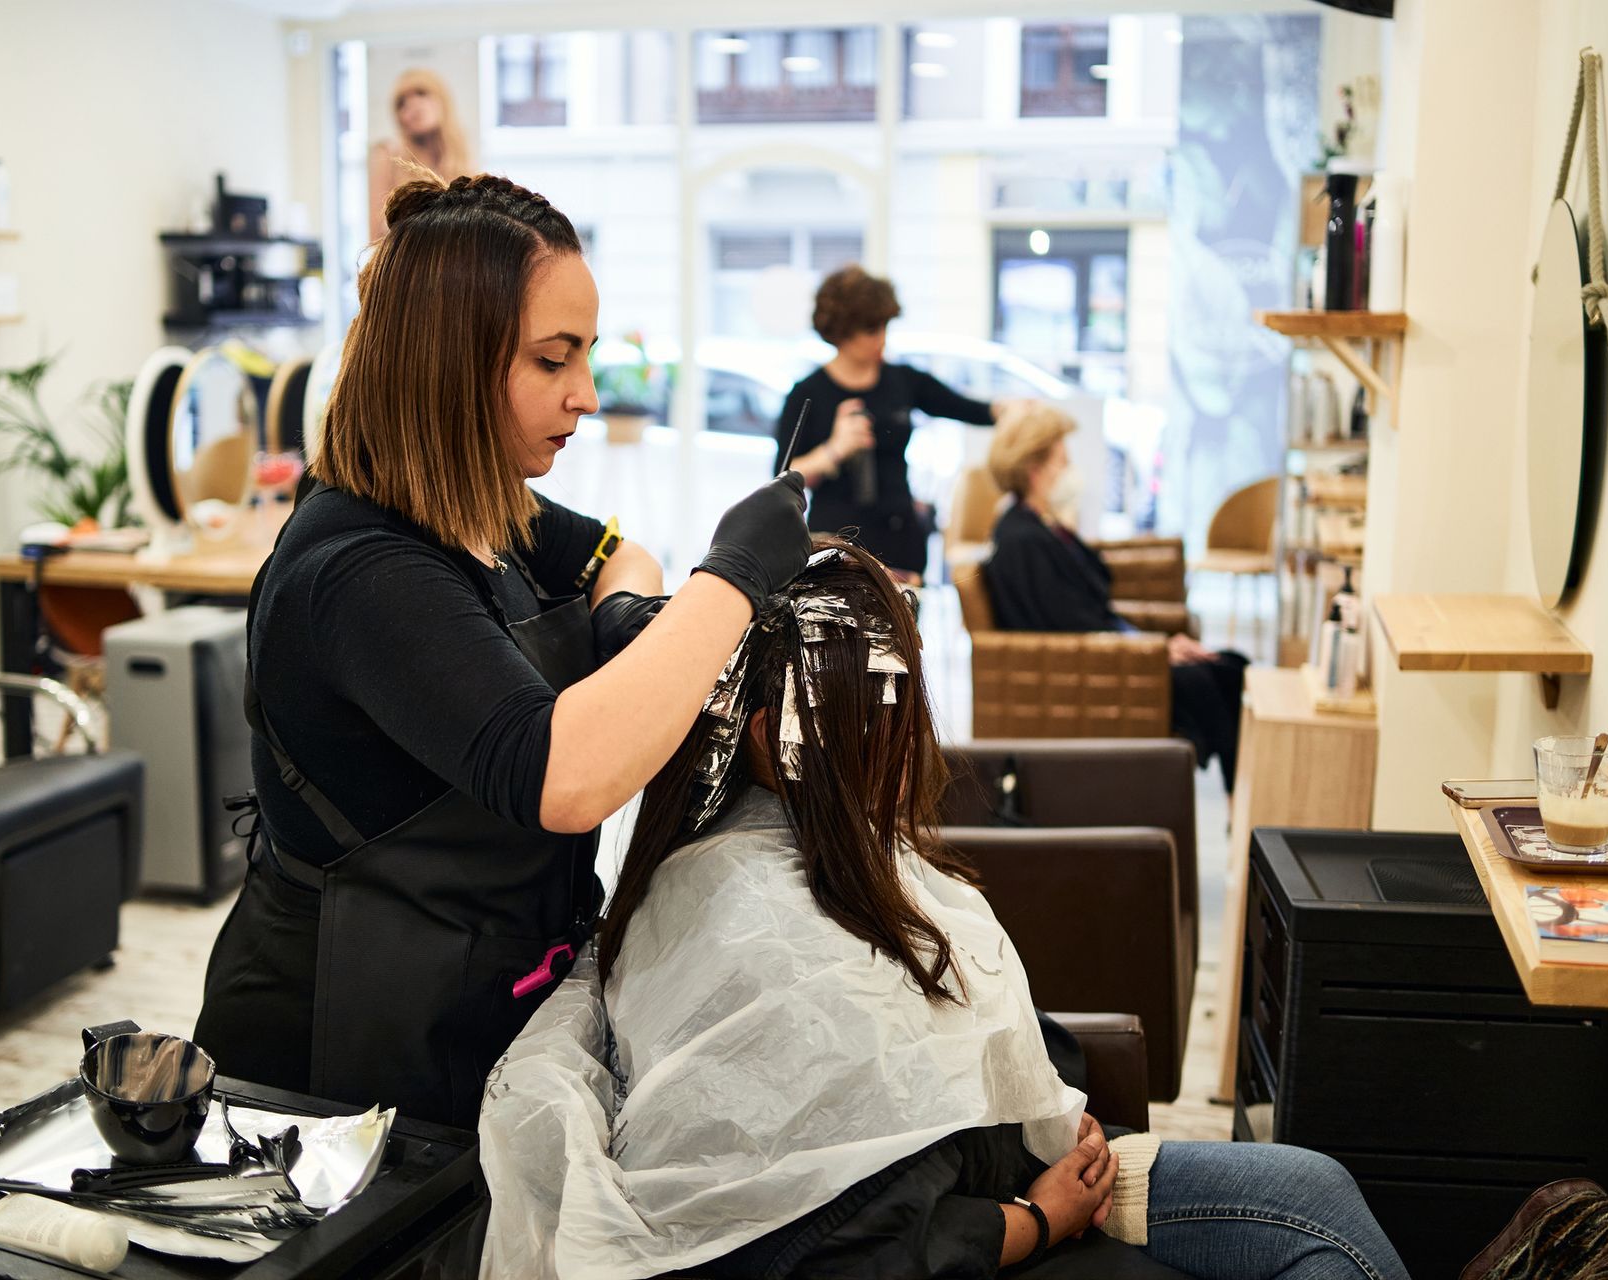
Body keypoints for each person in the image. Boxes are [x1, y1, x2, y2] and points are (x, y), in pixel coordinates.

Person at [479, 540, 1408, 1280]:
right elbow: (823, 1238)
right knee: (1316, 1219)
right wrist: (1039, 1217)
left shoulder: (790, 841)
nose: (908, 733)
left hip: (1019, 1159)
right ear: (770, 734)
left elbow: (913, 1056)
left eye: (903, 695)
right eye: (878, 703)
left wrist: (1045, 1093)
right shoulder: (745, 916)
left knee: (1319, 1197)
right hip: (990, 1213)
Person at [193, 173, 813, 1131]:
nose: (587, 395)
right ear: (449, 363)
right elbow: (562, 773)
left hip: (481, 982)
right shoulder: (362, 570)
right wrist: (729, 580)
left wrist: (631, 611)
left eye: (587, 356)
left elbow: (617, 548)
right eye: (551, 360)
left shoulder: (486, 507)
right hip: (343, 1046)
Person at [983, 403, 1247, 792]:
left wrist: (1157, 643)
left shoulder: (1042, 524)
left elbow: (1090, 602)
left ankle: (1240, 797)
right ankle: (1238, 797)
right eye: (1063, 462)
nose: (1070, 472)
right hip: (1091, 673)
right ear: (1034, 470)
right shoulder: (1021, 540)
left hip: (1109, 653)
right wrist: (1154, 649)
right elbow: (1071, 624)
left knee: (1230, 666)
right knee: (1220, 674)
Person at [776, 265, 1000, 585]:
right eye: (871, 330)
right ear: (842, 332)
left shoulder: (903, 381)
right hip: (834, 548)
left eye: (884, 326)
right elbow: (783, 478)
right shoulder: (808, 394)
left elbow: (969, 409)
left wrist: (1007, 411)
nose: (882, 338)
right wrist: (834, 450)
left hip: (899, 542)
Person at [368, 67, 475, 240]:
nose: (412, 105)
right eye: (401, 103)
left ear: (442, 99)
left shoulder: (463, 158)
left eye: (421, 93)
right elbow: (375, 239)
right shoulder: (387, 155)